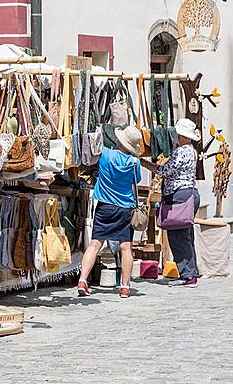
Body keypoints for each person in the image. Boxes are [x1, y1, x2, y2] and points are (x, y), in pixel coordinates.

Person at [77, 125, 143, 299]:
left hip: (105, 206)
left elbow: (94, 146)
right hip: (124, 207)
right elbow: (138, 179)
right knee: (125, 247)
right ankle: (125, 287)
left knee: (95, 244)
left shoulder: (105, 154)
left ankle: (83, 281)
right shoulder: (134, 163)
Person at [141, 118, 201, 288]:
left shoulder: (182, 152)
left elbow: (164, 171)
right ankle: (190, 272)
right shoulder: (191, 151)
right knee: (186, 235)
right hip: (188, 193)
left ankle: (188, 275)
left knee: (178, 235)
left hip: (180, 195)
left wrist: (145, 164)